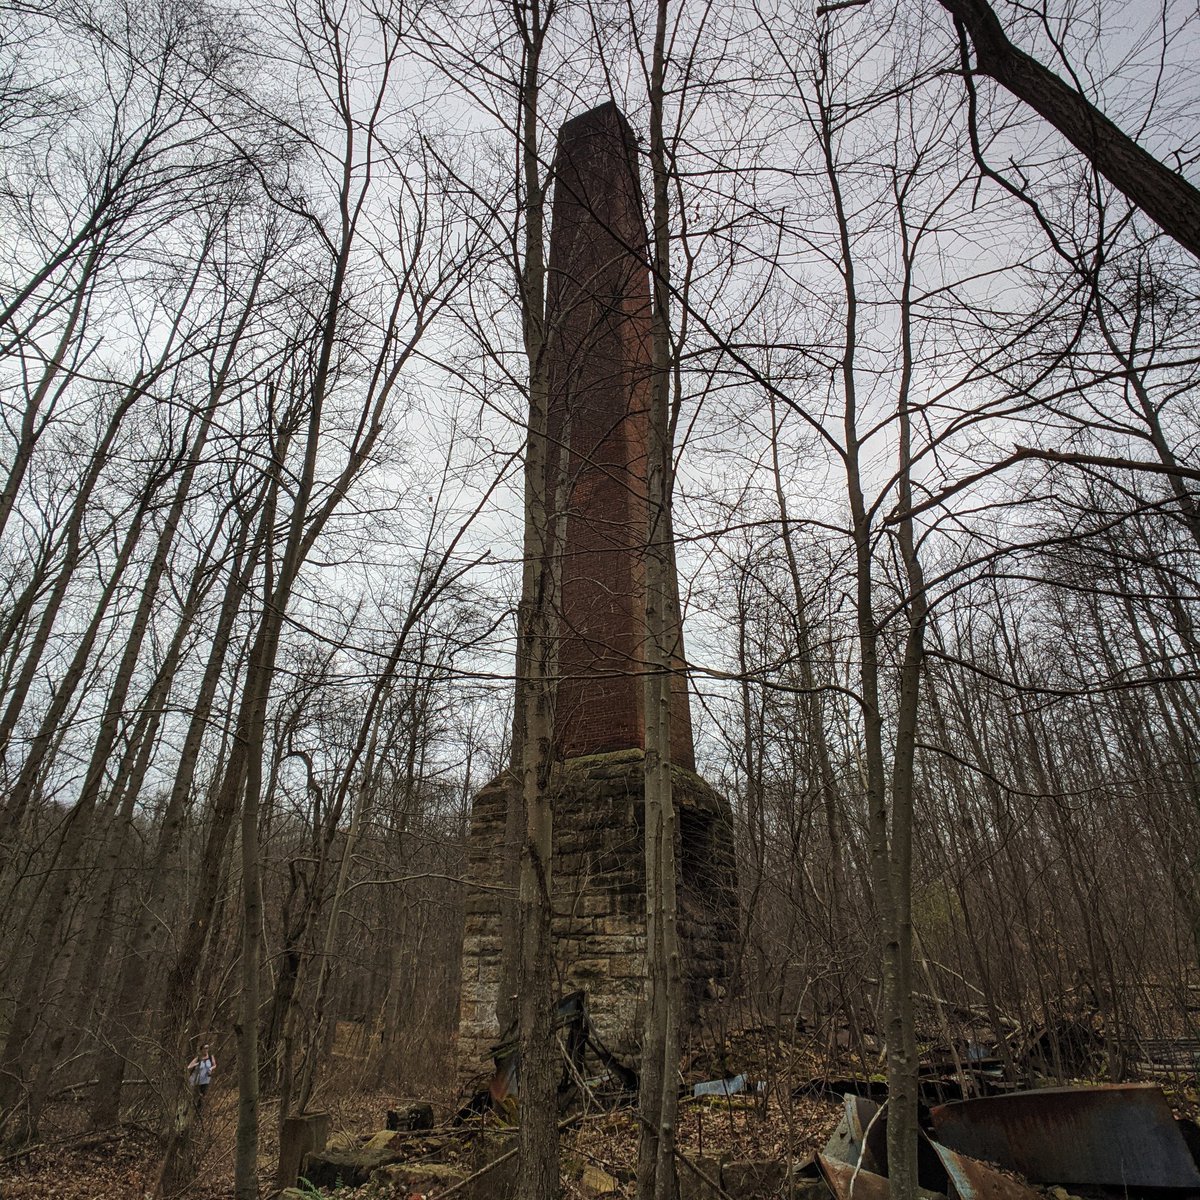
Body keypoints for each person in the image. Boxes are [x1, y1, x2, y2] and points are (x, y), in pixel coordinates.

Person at [187, 1044, 216, 1110]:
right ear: (201, 1050)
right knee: (196, 1095)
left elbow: (214, 1065)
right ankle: (192, 1109)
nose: (206, 1050)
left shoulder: (211, 1057)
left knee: (203, 1096)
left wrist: (211, 1069)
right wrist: (197, 1064)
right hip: (197, 1080)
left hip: (206, 1079)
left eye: (207, 1048)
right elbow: (189, 1067)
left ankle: (200, 1110)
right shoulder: (198, 1058)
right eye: (205, 1048)